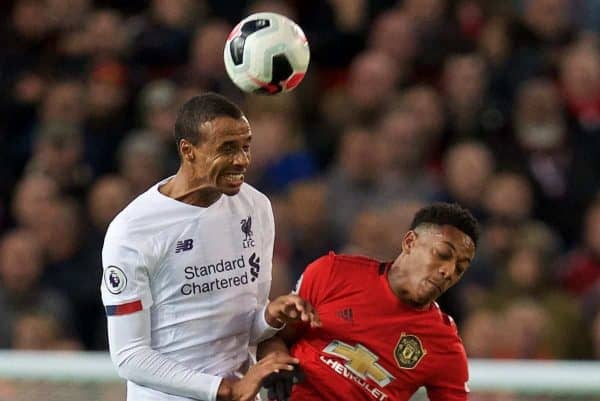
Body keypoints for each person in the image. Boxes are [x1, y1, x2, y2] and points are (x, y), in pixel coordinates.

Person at [101, 92, 320, 401]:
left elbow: (246, 327)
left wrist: (272, 316)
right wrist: (223, 390)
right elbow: (129, 356)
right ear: (188, 151)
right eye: (227, 149)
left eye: (246, 147)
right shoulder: (133, 231)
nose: (242, 160)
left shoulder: (255, 207)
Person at [258, 202, 479, 401]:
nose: (448, 271)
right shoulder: (332, 273)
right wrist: (278, 363)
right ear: (410, 242)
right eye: (442, 254)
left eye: (460, 268)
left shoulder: (444, 343)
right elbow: (274, 338)